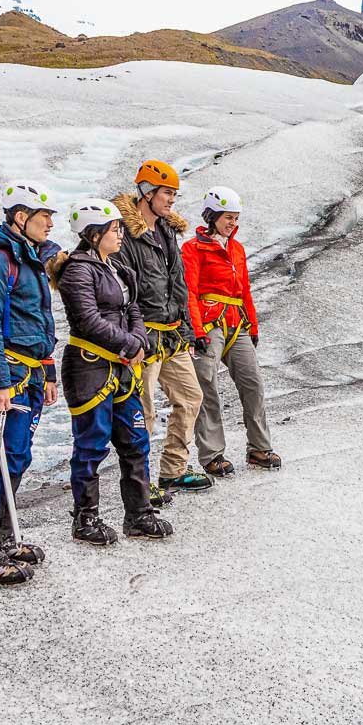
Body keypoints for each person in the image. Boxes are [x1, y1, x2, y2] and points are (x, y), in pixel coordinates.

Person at [50, 199, 172, 544]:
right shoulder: (77, 270)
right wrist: (132, 343)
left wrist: (138, 339)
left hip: (119, 366)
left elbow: (132, 307)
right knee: (91, 444)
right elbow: (87, 320)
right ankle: (85, 518)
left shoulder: (115, 267)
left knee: (135, 441)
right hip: (89, 368)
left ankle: (139, 513)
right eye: (114, 229)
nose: (120, 234)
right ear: (93, 233)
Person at [0, 181, 61, 585]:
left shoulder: (30, 259)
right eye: (44, 217)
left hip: (29, 371)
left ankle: (4, 538)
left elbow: (40, 319)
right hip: (7, 374)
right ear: (20, 217)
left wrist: (48, 369)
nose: (50, 224)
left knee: (16, 456)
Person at [112, 161, 211, 497]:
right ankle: (141, 484)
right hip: (145, 336)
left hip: (170, 335)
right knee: (143, 410)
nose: (171, 200)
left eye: (173, 194)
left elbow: (178, 285)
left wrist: (184, 331)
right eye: (167, 193)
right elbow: (126, 290)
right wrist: (133, 336)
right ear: (147, 193)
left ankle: (173, 471)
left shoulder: (167, 231)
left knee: (190, 397)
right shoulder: (125, 235)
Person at [183, 186, 279, 472]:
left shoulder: (237, 249)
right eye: (228, 217)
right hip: (209, 322)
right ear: (212, 216)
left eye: (236, 218)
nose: (232, 223)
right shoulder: (192, 248)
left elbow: (245, 291)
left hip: (237, 323)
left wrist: (253, 324)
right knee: (206, 384)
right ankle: (212, 454)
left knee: (253, 383)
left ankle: (259, 449)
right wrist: (197, 331)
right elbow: (189, 291)